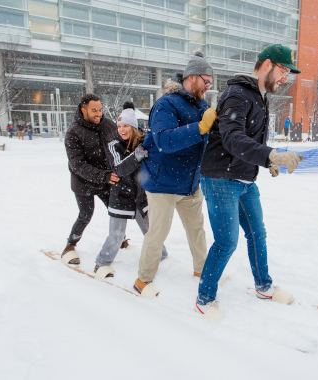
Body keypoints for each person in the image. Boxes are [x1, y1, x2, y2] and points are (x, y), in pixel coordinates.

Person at [195, 44, 305, 316]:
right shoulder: (237, 94)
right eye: (283, 70)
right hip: (220, 179)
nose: (285, 78)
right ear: (267, 64)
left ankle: (263, 285)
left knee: (257, 233)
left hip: (244, 179)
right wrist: (271, 155)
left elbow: (250, 138)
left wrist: (267, 161)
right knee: (226, 242)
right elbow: (233, 139)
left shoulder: (259, 96)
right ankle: (204, 298)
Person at [134, 52, 217, 295]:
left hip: (190, 183)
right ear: (192, 78)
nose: (209, 87)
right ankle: (143, 279)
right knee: (157, 233)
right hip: (162, 182)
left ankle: (202, 269)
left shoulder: (202, 105)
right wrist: (200, 127)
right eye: (206, 81)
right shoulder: (166, 104)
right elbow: (164, 141)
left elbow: (206, 141)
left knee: (197, 230)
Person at [94, 102, 169, 276]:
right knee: (117, 235)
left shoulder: (144, 142)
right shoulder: (113, 145)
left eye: (126, 125)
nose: (122, 129)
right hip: (120, 196)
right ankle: (101, 262)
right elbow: (119, 169)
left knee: (151, 232)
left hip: (140, 197)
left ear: (133, 127)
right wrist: (136, 156)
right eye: (119, 126)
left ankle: (162, 255)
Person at [61, 94, 119, 266]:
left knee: (116, 210)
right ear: (83, 110)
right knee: (85, 214)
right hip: (83, 183)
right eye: (94, 110)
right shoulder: (73, 133)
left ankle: (119, 238)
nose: (98, 114)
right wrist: (104, 176)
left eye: (100, 110)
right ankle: (71, 243)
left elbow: (120, 145)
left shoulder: (108, 125)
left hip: (105, 180)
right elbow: (77, 165)